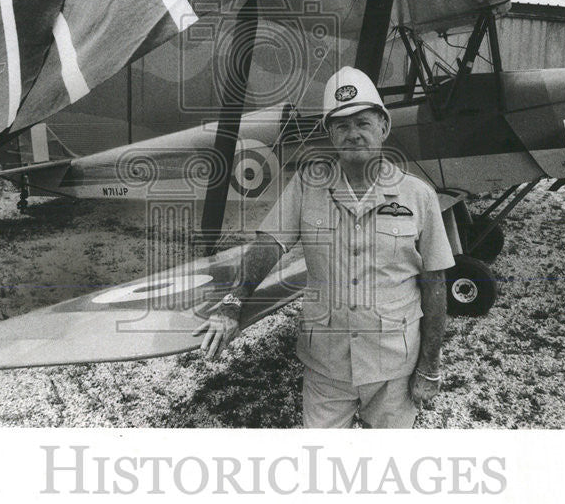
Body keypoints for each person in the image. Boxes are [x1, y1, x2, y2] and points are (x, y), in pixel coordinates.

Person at [194, 66, 455, 428]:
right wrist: (234, 302)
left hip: (394, 363)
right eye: (341, 125)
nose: (353, 134)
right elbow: (269, 244)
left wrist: (429, 365)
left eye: (363, 122)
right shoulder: (307, 185)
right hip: (327, 362)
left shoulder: (418, 195)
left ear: (384, 126)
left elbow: (435, 283)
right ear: (329, 133)